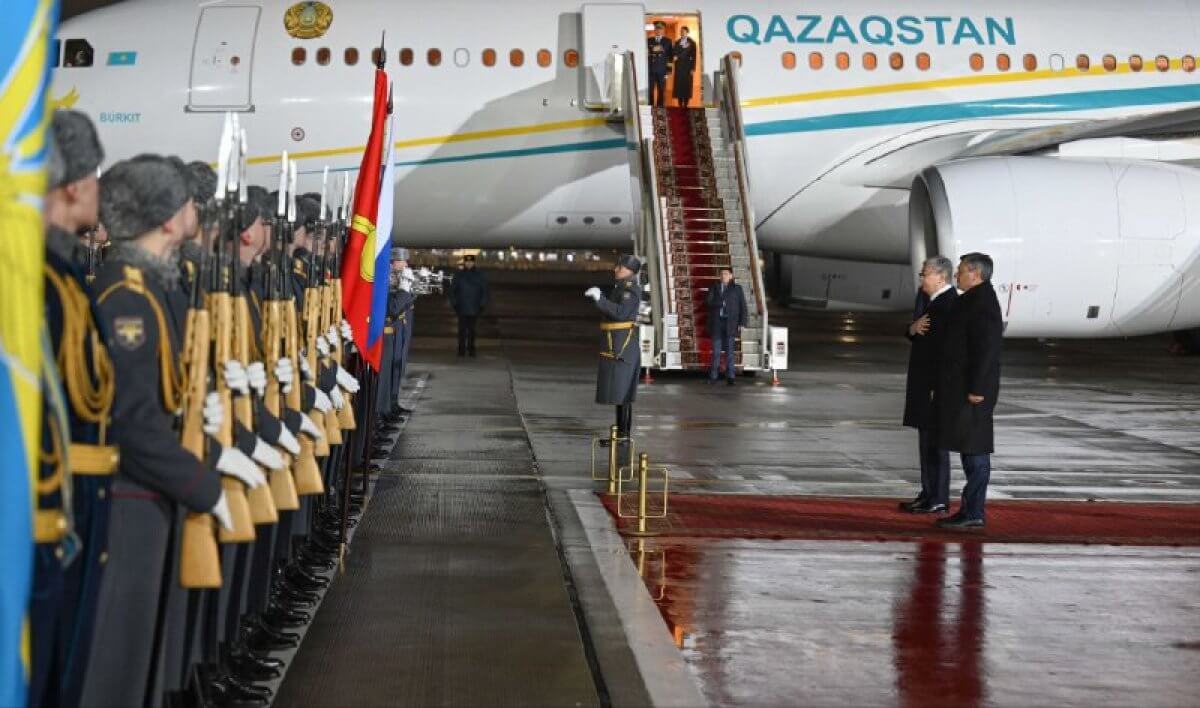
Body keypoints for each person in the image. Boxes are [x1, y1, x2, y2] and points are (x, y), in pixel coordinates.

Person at [81, 156, 265, 707]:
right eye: (186, 201)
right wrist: (204, 485)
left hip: (156, 495)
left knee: (144, 661)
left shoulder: (154, 289)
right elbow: (134, 424)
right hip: (130, 501)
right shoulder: (127, 297)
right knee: (116, 668)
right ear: (166, 218)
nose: (197, 211)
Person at [36, 109, 113, 708]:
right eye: (92, 177)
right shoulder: (38, 281)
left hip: (74, 506)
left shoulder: (64, 277)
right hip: (43, 514)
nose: (97, 191)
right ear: (69, 186)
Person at [934, 253, 1003, 529]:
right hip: (964, 388)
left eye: (961, 271)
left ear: (975, 274)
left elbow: (986, 350)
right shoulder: (972, 300)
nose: (956, 275)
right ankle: (971, 509)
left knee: (975, 451)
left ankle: (973, 511)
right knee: (968, 448)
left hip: (974, 392)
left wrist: (977, 388)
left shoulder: (982, 303)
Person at [899, 257, 958, 514]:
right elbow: (917, 332)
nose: (922, 278)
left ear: (941, 278)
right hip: (925, 385)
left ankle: (939, 496)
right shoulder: (931, 302)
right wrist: (912, 329)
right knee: (926, 443)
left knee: (936, 445)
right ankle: (929, 491)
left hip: (935, 386)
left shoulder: (948, 304)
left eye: (926, 274)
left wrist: (938, 385)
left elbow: (946, 352)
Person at [585, 255, 641, 461]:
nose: (616, 269)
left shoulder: (629, 290)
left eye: (620, 267)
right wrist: (599, 300)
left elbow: (619, 313)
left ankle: (624, 436)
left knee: (624, 395)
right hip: (617, 344)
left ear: (629, 271)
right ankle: (620, 434)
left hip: (623, 346)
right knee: (620, 394)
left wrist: (600, 299)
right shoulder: (621, 287)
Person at [704, 266, 747, 385]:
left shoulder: (737, 289)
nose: (724, 276)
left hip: (731, 324)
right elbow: (707, 302)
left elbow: (743, 307)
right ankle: (713, 376)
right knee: (716, 352)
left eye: (726, 274)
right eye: (722, 274)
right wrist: (721, 303)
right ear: (719, 276)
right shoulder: (714, 287)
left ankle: (731, 377)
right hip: (717, 324)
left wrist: (742, 322)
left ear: (731, 276)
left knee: (729, 352)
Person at [449, 254, 488, 357]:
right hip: (461, 307)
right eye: (467, 262)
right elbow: (452, 291)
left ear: (474, 262)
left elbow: (484, 291)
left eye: (471, 262)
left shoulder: (480, 275)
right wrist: (455, 304)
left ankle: (471, 349)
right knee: (462, 330)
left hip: (475, 307)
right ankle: (461, 350)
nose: (469, 263)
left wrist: (482, 305)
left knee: (472, 330)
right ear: (464, 263)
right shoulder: (458, 275)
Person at [647, 21, 672, 108]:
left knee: (661, 90)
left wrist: (668, 70)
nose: (658, 30)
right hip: (650, 70)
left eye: (660, 29)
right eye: (656, 29)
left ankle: (659, 108)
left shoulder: (668, 41)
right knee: (650, 90)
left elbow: (670, 56)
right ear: (654, 30)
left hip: (662, 70)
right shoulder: (649, 40)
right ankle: (650, 108)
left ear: (663, 30)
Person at [672, 26, 697, 107]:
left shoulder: (692, 43)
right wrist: (674, 55)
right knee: (679, 85)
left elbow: (694, 56)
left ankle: (686, 104)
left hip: (688, 67)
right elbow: (674, 53)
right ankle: (680, 104)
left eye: (684, 31)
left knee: (687, 85)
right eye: (681, 31)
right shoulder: (677, 42)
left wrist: (693, 68)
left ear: (687, 32)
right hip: (679, 66)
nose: (682, 33)